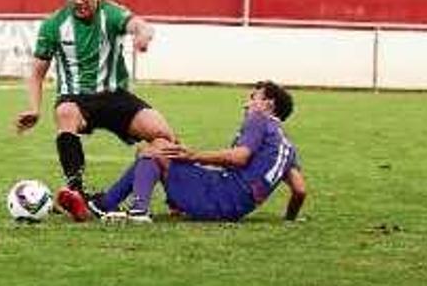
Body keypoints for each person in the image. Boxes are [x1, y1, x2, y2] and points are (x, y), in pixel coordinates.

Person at [14, 0, 177, 221]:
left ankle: (176, 197)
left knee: (165, 135)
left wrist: (144, 34)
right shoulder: (54, 26)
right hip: (77, 98)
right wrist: (34, 108)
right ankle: (75, 191)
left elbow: (138, 24)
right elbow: (36, 73)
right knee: (65, 113)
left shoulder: (110, 13)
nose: (78, 1)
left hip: (115, 96)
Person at [89, 80, 306, 223]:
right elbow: (299, 190)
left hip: (222, 196)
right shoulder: (287, 148)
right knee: (163, 151)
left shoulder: (259, 120)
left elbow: (240, 158)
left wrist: (193, 155)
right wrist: (290, 220)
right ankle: (108, 204)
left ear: (268, 105)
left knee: (158, 147)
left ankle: (132, 210)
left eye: (253, 98)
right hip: (235, 207)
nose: (246, 104)